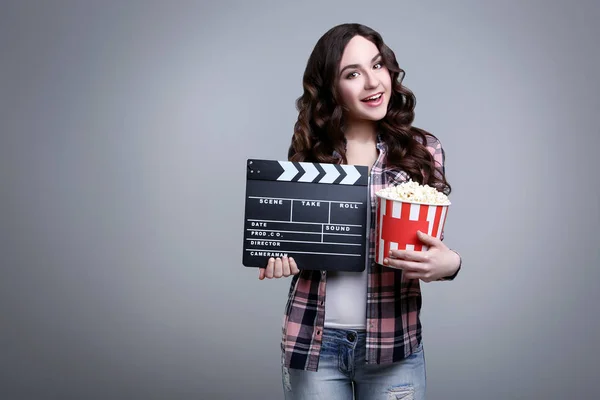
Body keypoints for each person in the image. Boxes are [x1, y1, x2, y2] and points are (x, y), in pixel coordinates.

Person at [258, 23, 462, 400]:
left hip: (393, 343)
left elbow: (431, 245)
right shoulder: (311, 154)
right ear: (331, 88)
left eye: (378, 65)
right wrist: (278, 254)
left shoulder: (422, 150)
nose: (372, 83)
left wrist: (450, 265)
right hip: (314, 343)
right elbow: (297, 241)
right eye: (353, 74)